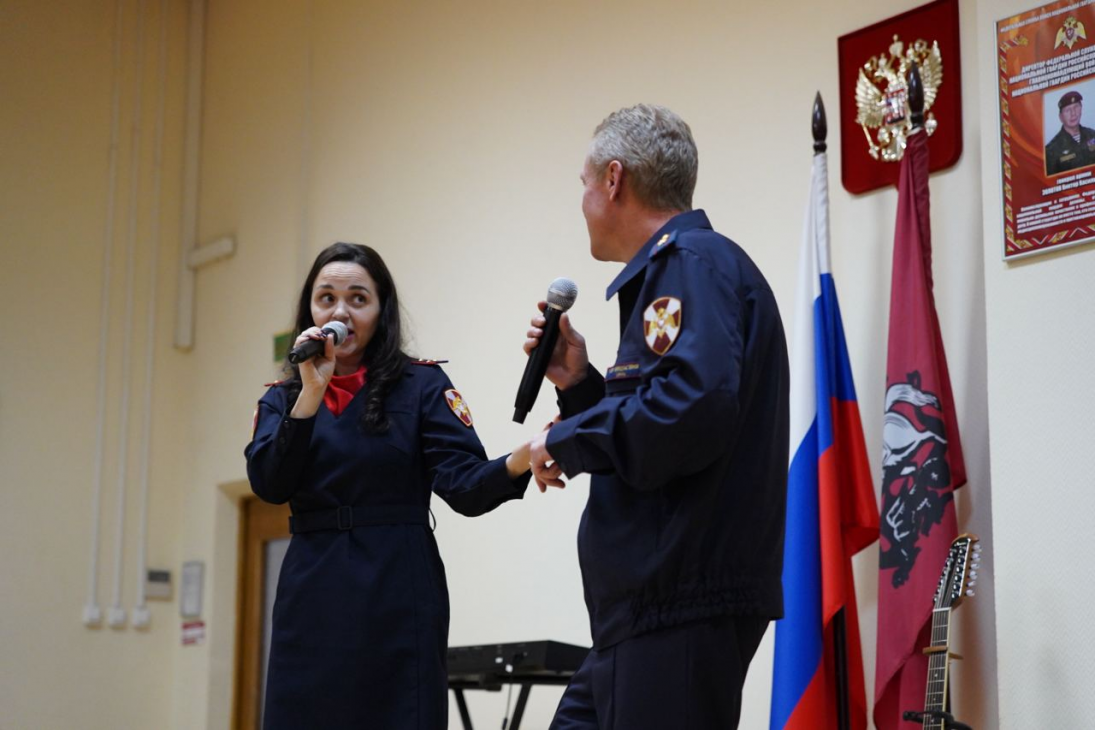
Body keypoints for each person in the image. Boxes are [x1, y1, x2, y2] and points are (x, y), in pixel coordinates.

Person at [523, 104, 789, 729]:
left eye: (584, 185)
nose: (583, 201)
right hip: (650, 612)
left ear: (614, 180)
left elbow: (692, 409)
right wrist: (582, 387)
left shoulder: (689, 263)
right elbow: (663, 431)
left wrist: (568, 437)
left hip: (679, 605)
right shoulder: (685, 269)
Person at [245, 242, 531, 729]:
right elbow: (271, 483)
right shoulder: (284, 397)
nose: (340, 311)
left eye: (358, 299)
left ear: (381, 311)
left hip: (397, 587)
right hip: (312, 589)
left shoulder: (421, 385)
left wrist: (522, 460)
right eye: (327, 298)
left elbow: (464, 485)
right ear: (309, 310)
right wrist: (311, 393)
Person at [1045, 90, 1095, 175]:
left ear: (1081, 109)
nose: (1073, 113)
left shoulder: (1092, 135)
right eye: (1068, 110)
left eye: (1076, 107)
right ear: (1061, 117)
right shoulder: (1050, 150)